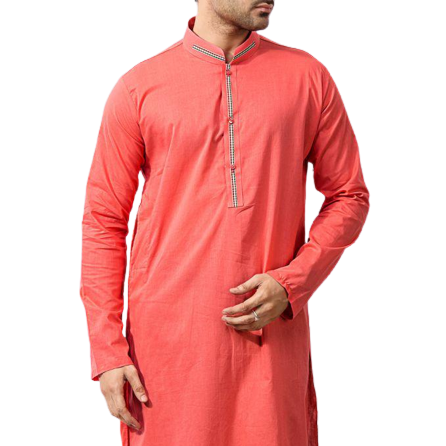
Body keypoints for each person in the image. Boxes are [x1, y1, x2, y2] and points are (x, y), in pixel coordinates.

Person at [79, 1, 370, 445]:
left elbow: (349, 195)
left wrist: (293, 282)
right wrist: (107, 348)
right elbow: (103, 220)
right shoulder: (139, 87)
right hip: (166, 351)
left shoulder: (307, 77)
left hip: (269, 340)